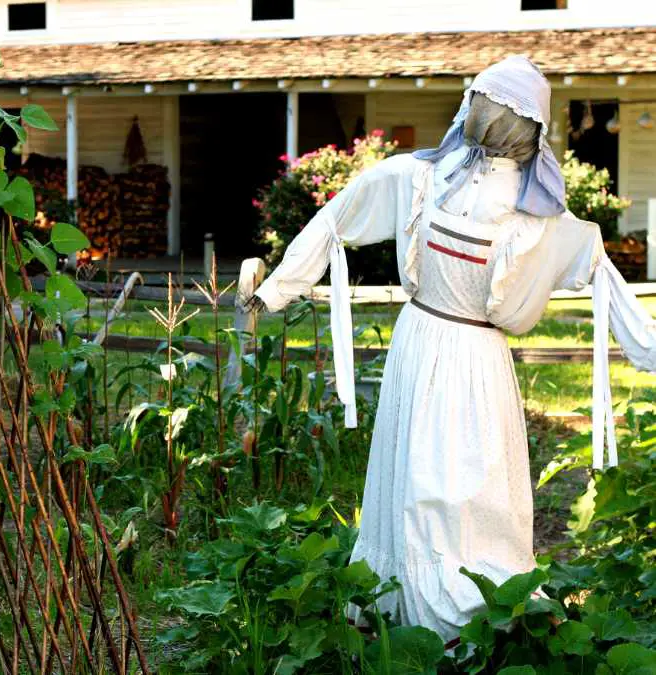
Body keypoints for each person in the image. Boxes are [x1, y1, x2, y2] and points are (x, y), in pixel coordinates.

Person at [248, 55, 656, 642]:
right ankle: (400, 603)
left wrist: (647, 348)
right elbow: (338, 218)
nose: (485, 117)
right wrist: (276, 289)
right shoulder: (420, 178)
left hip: (477, 363)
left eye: (496, 110)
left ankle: (475, 608)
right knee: (412, 476)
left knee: (473, 481)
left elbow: (603, 276)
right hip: (420, 344)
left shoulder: (542, 218)